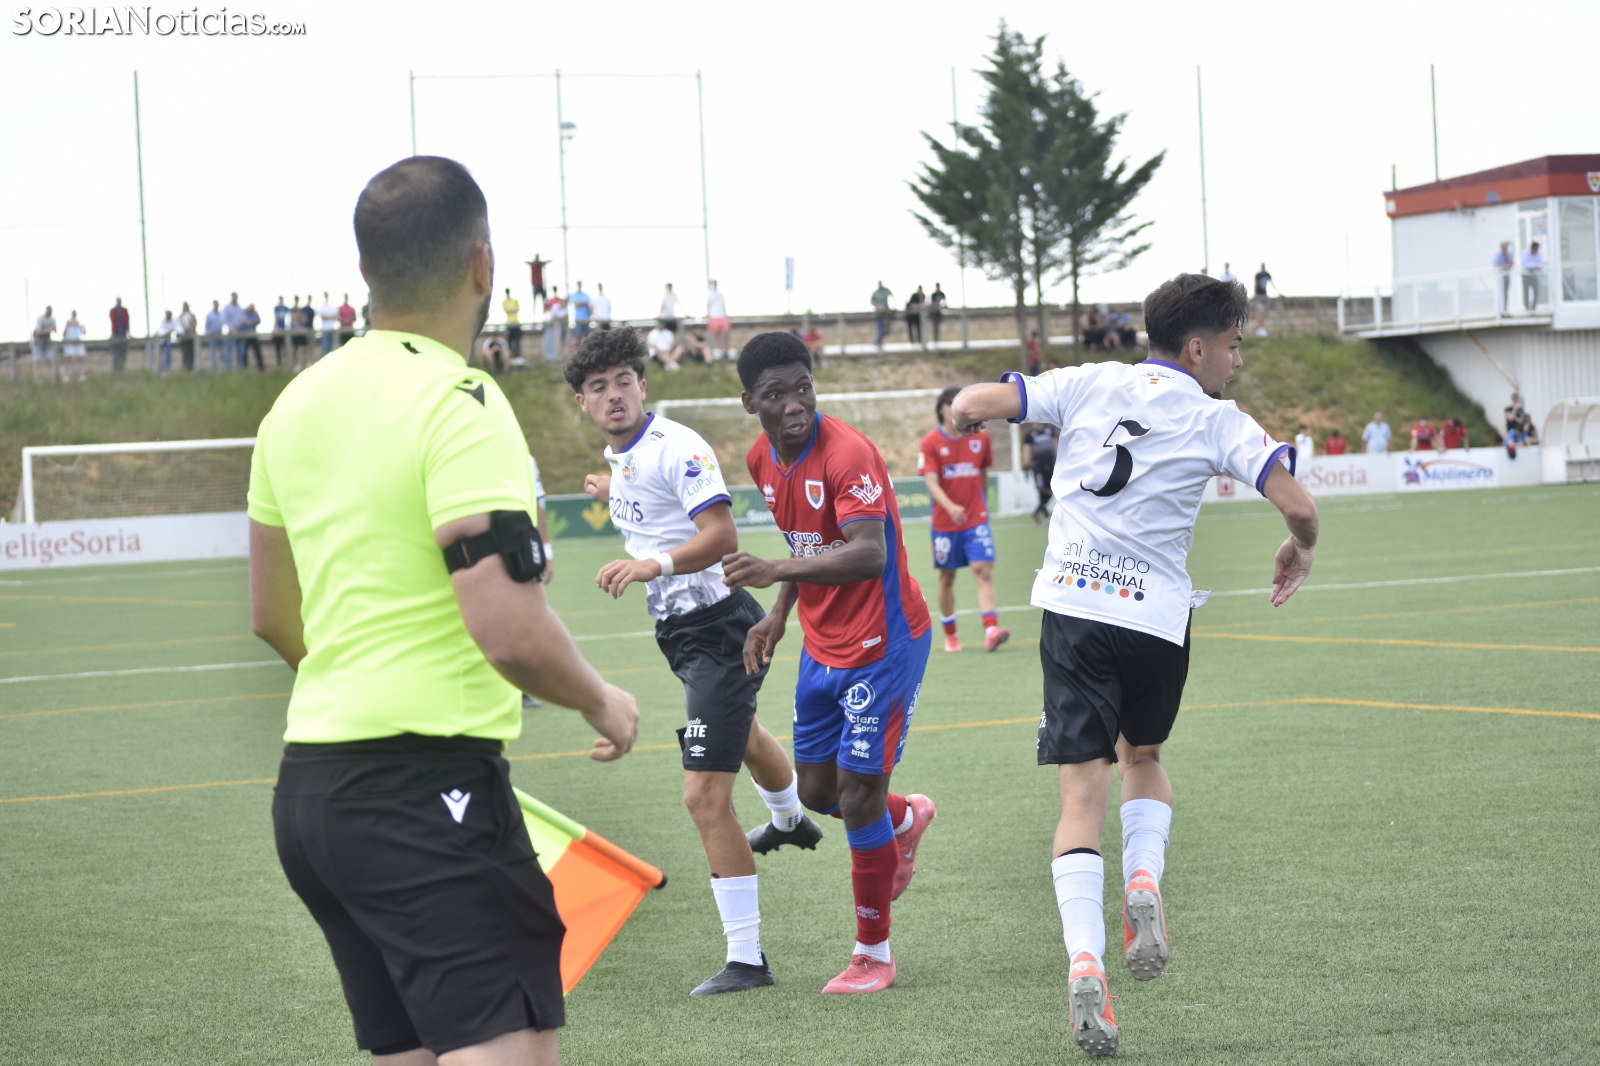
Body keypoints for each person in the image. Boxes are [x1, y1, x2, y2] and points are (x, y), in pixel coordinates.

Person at [248, 155, 638, 1066]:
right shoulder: (461, 399)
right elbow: (506, 625)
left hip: (312, 797)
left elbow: (270, 612)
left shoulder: (294, 403)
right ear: (482, 265)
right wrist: (601, 700)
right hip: (426, 793)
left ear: (365, 271)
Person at [948, 272, 1318, 1057]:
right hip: (1155, 620)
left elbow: (980, 401)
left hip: (1076, 611)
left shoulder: (1089, 381)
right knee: (1142, 759)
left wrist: (960, 413)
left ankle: (1086, 961)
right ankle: (1143, 880)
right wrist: (1300, 547)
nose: (1237, 362)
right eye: (1233, 346)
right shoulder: (1218, 418)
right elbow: (1300, 507)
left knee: (1080, 798)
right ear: (1197, 347)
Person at [566, 328, 822, 996]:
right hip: (681, 633)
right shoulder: (622, 454)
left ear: (643, 386)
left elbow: (720, 535)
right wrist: (609, 487)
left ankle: (747, 960)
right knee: (746, 735)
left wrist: (650, 564)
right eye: (598, 387)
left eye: (624, 381)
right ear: (583, 403)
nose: (614, 395)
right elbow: (645, 499)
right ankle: (791, 821)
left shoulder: (677, 446)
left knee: (704, 797)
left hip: (721, 628)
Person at [722, 331, 937, 996]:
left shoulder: (848, 454)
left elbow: (868, 553)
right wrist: (779, 612)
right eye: (776, 394)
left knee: (856, 796)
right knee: (817, 793)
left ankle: (873, 954)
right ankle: (904, 818)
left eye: (804, 388)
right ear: (750, 403)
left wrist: (775, 571)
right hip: (821, 644)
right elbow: (809, 543)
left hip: (883, 645)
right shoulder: (762, 458)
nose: (795, 404)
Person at [919, 387, 1008, 654]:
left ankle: (991, 630)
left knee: (983, 570)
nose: (954, 407)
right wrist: (950, 507)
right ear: (941, 409)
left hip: (976, 520)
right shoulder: (930, 443)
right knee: (947, 577)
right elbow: (931, 482)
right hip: (945, 523)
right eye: (949, 403)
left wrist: (982, 505)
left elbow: (983, 474)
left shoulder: (981, 439)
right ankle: (951, 634)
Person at [1024, 423, 1057, 524]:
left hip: (1050, 465)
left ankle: (1037, 512)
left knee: (1051, 489)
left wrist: (1059, 459)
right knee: (1042, 490)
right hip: (1038, 466)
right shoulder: (1029, 433)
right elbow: (1027, 450)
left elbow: (1055, 445)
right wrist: (1026, 465)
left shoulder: (1049, 429)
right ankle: (1046, 516)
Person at [59, 310, 87, 381]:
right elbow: (64, 333)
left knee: (80, 359)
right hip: (69, 342)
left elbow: (83, 332)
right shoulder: (68, 323)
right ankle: (66, 376)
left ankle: (82, 375)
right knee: (68, 359)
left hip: (78, 342)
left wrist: (82, 327)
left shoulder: (78, 323)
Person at [707, 280, 731, 359]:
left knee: (725, 332)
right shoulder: (709, 295)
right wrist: (709, 316)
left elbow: (723, 305)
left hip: (722, 315)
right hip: (713, 316)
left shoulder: (721, 295)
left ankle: (725, 350)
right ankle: (720, 350)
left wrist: (725, 314)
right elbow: (708, 306)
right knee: (716, 334)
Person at [542, 287, 566, 362]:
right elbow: (545, 310)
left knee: (558, 340)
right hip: (550, 323)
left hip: (558, 324)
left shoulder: (560, 300)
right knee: (549, 340)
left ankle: (557, 355)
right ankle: (549, 355)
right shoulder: (548, 300)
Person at [239, 303, 264, 371]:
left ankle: (261, 368)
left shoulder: (255, 313)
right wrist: (246, 322)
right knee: (244, 353)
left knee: (257, 352)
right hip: (246, 336)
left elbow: (259, 321)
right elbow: (241, 322)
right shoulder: (244, 312)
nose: (251, 309)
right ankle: (245, 368)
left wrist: (252, 322)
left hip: (253, 336)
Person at [223, 292, 245, 370]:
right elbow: (225, 319)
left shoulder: (240, 307)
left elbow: (242, 318)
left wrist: (241, 325)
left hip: (240, 331)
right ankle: (228, 369)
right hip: (231, 332)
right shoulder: (227, 307)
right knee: (230, 351)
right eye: (234, 297)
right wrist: (232, 328)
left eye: (236, 297)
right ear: (232, 297)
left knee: (241, 351)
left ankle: (240, 368)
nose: (235, 298)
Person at [109, 297, 130, 373]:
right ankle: (116, 370)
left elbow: (127, 321)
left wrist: (128, 332)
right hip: (116, 335)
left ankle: (121, 369)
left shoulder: (124, 311)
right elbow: (113, 322)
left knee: (123, 354)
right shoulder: (113, 311)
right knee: (116, 354)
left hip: (123, 335)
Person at [870, 281, 893, 349]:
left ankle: (878, 341)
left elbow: (892, 296)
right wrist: (878, 307)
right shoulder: (875, 293)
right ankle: (878, 341)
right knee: (880, 328)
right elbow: (871, 301)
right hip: (878, 313)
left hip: (886, 313)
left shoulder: (886, 291)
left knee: (886, 329)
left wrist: (893, 306)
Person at [1493, 242, 1514, 313]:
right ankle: (1499, 310)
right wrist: (1505, 266)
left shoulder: (1509, 254)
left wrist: (1507, 256)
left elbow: (1511, 264)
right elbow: (1496, 265)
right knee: (1500, 293)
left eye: (1506, 248)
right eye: (1504, 248)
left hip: (1506, 276)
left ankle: (1505, 310)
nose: (1505, 249)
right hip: (1499, 277)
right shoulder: (1497, 255)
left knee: (1505, 293)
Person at [205, 300, 226, 372]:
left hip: (220, 334)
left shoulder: (221, 314)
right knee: (213, 353)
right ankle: (214, 370)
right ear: (213, 305)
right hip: (212, 335)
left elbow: (223, 323)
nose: (217, 306)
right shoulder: (209, 315)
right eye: (215, 304)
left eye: (217, 304)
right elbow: (207, 326)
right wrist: (209, 333)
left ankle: (225, 368)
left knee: (223, 352)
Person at [296, 297, 317, 369]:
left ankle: (309, 362)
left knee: (308, 348)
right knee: (301, 348)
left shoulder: (312, 310)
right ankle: (300, 364)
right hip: (302, 332)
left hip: (310, 330)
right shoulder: (303, 309)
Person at [1252, 264, 1273, 336]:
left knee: (1264, 313)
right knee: (1261, 311)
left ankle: (1262, 328)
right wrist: (1255, 294)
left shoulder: (1267, 275)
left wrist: (1278, 292)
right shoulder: (1258, 275)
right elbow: (1256, 284)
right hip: (1259, 296)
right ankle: (1259, 328)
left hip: (1265, 296)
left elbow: (1272, 283)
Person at [1522, 241, 1543, 311]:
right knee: (1526, 292)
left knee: (1536, 292)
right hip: (1526, 275)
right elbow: (1525, 265)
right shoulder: (1525, 253)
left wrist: (1532, 267)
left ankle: (1533, 307)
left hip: (1534, 275)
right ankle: (1527, 308)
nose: (1537, 250)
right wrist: (1535, 266)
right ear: (1532, 248)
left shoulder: (1538, 254)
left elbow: (1540, 265)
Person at [317, 293, 339, 357]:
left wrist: (326, 317)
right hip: (325, 330)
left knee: (332, 348)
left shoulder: (332, 307)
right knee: (325, 347)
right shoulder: (321, 307)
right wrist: (330, 317)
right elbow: (322, 317)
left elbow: (335, 316)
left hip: (332, 329)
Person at [178, 302, 198, 373]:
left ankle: (191, 368)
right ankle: (185, 368)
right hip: (184, 339)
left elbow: (194, 324)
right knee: (185, 353)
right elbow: (179, 326)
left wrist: (190, 330)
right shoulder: (180, 317)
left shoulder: (192, 316)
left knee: (191, 353)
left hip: (191, 338)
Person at [502, 288, 522, 360]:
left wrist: (510, 310)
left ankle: (517, 357)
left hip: (516, 323)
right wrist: (512, 310)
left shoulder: (515, 300)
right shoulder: (504, 302)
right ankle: (511, 358)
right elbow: (506, 311)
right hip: (509, 324)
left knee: (517, 341)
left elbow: (517, 309)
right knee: (509, 342)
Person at [272, 297, 292, 367]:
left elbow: (290, 315)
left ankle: (286, 363)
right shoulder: (276, 308)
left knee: (285, 348)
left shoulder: (286, 308)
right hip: (278, 330)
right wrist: (276, 327)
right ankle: (279, 364)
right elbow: (275, 318)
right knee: (278, 348)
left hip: (284, 330)